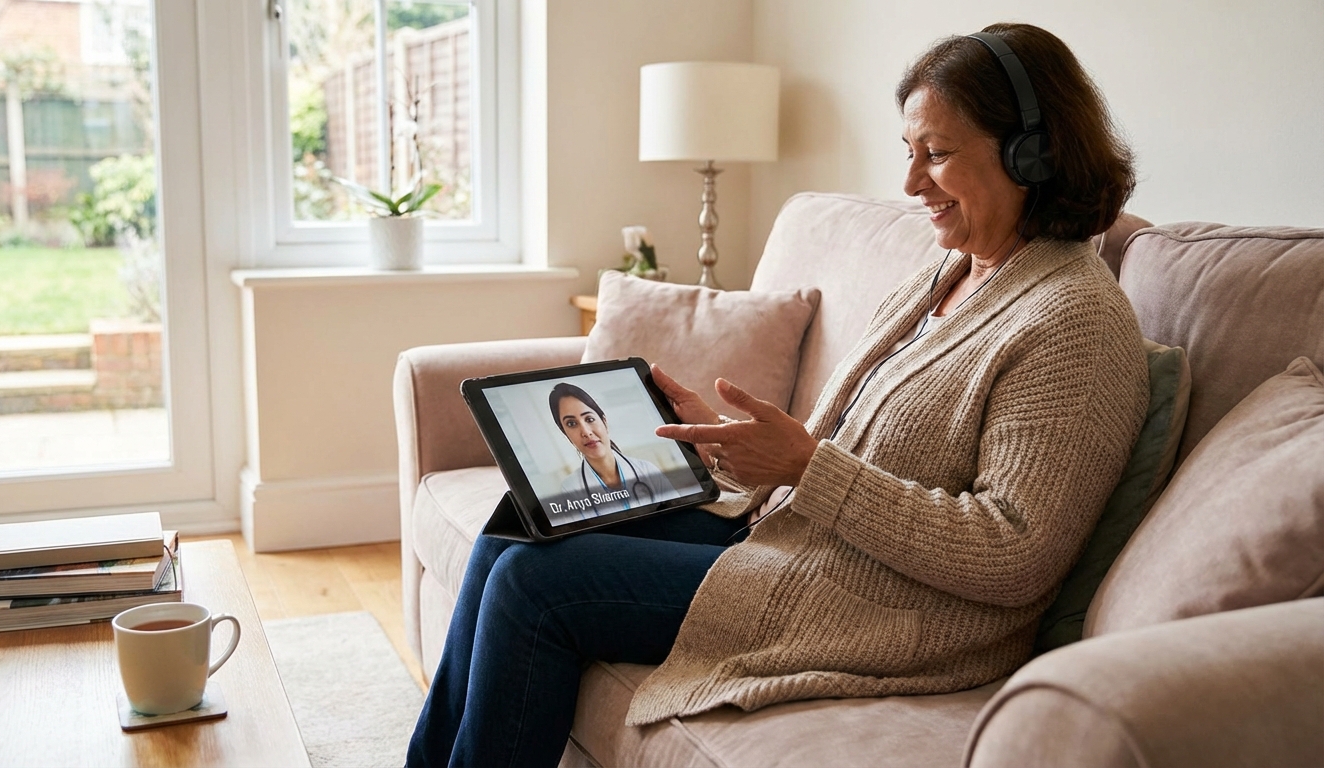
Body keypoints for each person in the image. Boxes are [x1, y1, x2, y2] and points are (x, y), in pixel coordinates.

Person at [407, 22, 1149, 767]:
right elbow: (855, 449)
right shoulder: (949, 274)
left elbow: (1014, 553)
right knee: (517, 524)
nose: (911, 184)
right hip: (793, 538)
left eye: (938, 153)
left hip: (876, 603)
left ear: (1032, 153)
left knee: (535, 584)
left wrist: (805, 467)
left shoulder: (1074, 320)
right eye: (909, 151)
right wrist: (729, 445)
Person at [548, 382, 679, 520]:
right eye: (571, 424)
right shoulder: (570, 489)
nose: (586, 432)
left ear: (604, 422)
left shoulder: (647, 470)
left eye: (589, 419)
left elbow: (679, 518)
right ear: (566, 434)